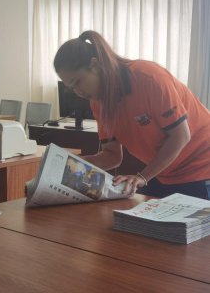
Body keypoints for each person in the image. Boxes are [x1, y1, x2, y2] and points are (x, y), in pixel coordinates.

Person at [53, 30, 210, 200]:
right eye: (72, 88)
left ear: (95, 65)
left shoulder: (149, 78)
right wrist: (70, 163)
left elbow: (180, 136)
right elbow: (112, 156)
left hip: (202, 167)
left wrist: (142, 177)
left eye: (77, 82)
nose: (78, 92)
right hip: (165, 172)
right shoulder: (98, 102)